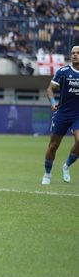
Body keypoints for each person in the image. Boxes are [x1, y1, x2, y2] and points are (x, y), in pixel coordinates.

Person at [41, 45, 79, 185]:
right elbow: (50, 89)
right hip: (62, 114)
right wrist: (52, 102)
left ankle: (67, 165)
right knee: (53, 145)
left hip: (78, 115)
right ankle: (47, 173)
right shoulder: (63, 72)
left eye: (78, 53)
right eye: (73, 53)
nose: (75, 55)